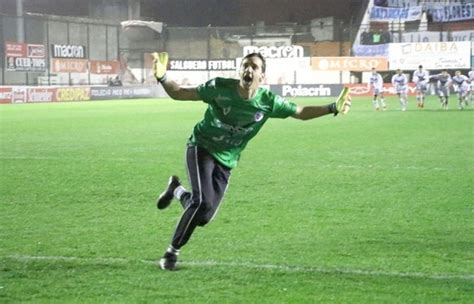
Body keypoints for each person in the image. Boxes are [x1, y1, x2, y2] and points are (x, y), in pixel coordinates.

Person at [151, 52, 352, 271]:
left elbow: (301, 112)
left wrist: (332, 107)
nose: (249, 70)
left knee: (203, 216)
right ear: (240, 71)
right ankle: (171, 253)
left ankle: (176, 189)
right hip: (202, 147)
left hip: (227, 159)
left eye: (254, 67)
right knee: (202, 203)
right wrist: (163, 77)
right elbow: (180, 93)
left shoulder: (268, 102)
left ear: (262, 77)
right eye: (245, 65)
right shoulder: (219, 87)